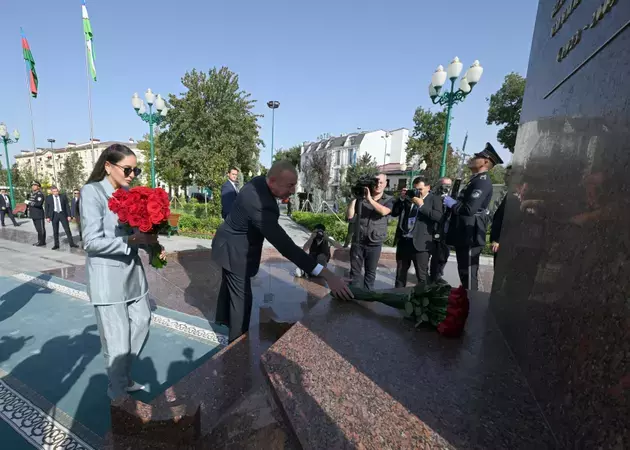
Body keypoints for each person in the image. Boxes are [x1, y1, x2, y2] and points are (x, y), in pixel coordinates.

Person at [212, 160, 353, 342]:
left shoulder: (260, 183)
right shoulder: (258, 203)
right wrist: (327, 274)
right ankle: (235, 347)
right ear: (272, 181)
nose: (293, 190)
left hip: (231, 245)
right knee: (241, 301)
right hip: (233, 251)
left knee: (229, 290)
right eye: (290, 185)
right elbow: (286, 246)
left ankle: (222, 324)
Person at [81, 143, 163, 400]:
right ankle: (118, 395)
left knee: (142, 322)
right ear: (108, 166)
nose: (131, 175)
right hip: (107, 279)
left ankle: (123, 376)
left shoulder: (130, 193)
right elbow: (91, 242)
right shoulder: (92, 193)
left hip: (133, 276)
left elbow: (140, 231)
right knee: (117, 342)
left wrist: (153, 246)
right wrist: (130, 242)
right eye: (127, 169)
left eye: (135, 170)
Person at [443, 143, 503, 291]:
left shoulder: (482, 182)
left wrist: (451, 203)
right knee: (463, 273)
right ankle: (466, 303)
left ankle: (472, 304)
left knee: (469, 274)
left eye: (478, 156)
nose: (473, 158)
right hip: (464, 232)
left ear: (486, 162)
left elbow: (469, 209)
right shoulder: (475, 180)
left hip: (471, 233)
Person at [391, 177, 442, 287]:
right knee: (400, 273)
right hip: (404, 240)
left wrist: (421, 205)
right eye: (415, 189)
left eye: (420, 189)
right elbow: (394, 213)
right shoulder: (409, 198)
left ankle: (424, 299)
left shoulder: (434, 199)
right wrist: (401, 199)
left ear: (428, 188)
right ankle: (399, 296)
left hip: (421, 243)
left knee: (422, 275)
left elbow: (438, 217)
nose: (417, 192)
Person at [347, 173, 393, 290]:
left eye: (381, 182)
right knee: (354, 273)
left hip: (374, 242)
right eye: (376, 182)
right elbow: (350, 217)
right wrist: (355, 198)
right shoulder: (361, 198)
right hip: (358, 240)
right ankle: (352, 296)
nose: (378, 185)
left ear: (386, 184)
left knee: (370, 273)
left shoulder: (389, 199)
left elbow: (383, 211)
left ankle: (368, 298)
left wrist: (369, 199)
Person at [430, 177, 453, 282]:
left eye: (449, 185)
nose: (446, 188)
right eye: (444, 185)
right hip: (434, 230)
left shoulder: (453, 198)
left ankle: (439, 273)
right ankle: (433, 275)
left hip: (447, 231)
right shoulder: (433, 197)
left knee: (444, 254)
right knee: (434, 255)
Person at [490, 165, 512, 266]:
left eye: (508, 175)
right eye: (505, 174)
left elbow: (508, 221)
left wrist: (498, 240)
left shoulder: (516, 195)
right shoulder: (508, 193)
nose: (505, 177)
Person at [26, 181, 46, 246]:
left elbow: (39, 204)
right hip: (34, 214)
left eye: (35, 185)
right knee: (38, 229)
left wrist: (29, 203)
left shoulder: (39, 194)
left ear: (38, 187)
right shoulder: (33, 194)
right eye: (32, 185)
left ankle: (42, 242)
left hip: (39, 214)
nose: (33, 187)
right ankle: (40, 241)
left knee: (41, 229)